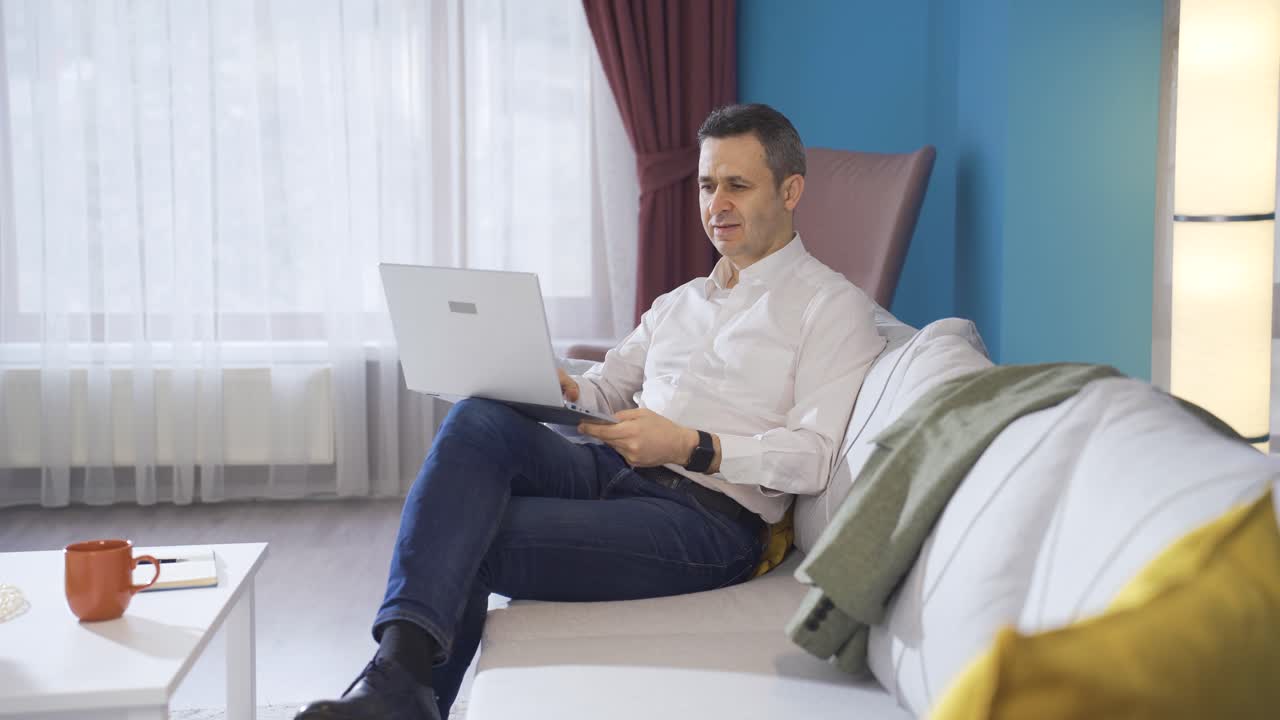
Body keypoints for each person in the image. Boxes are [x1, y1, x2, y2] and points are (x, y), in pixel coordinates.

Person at [295, 103, 886, 720]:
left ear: (791, 191)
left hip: (711, 523)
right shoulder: (680, 302)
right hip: (612, 470)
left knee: (469, 532)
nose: (717, 204)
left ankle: (395, 689)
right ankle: (398, 687)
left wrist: (690, 444)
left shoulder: (830, 307)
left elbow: (814, 457)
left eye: (738, 185)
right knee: (477, 416)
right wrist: (565, 387)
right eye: (707, 185)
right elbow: (608, 389)